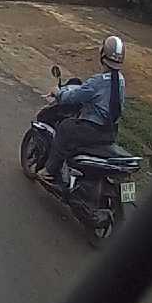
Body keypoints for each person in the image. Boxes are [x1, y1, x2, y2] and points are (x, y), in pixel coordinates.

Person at [41, 36, 126, 192]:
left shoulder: (98, 81)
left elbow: (74, 96)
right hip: (110, 132)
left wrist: (58, 93)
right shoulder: (120, 80)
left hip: (92, 130)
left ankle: (50, 171)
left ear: (102, 55)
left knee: (65, 128)